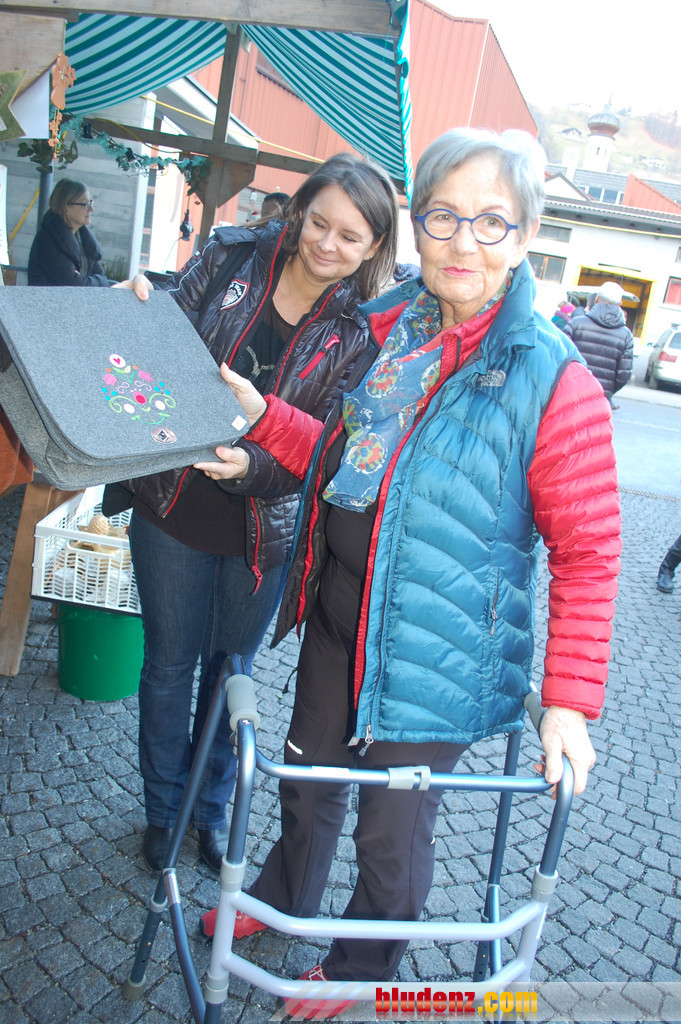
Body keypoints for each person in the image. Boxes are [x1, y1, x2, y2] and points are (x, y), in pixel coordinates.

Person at [195, 127, 621, 1018]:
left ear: (524, 236)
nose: (463, 241)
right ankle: (281, 897)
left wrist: (568, 701)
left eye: (490, 221)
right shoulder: (387, 331)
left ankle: (363, 966)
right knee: (307, 779)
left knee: (391, 829)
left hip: (441, 651)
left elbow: (587, 550)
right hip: (339, 618)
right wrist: (265, 416)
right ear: (416, 224)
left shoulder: (552, 378)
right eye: (442, 216)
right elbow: (342, 459)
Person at [111, 154, 399, 873]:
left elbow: (327, 447)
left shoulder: (360, 332)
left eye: (351, 237)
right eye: (320, 223)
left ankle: (208, 812)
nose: (327, 245)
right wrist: (136, 301)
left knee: (228, 676)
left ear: (373, 247)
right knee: (168, 667)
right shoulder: (231, 255)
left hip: (264, 531)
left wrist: (254, 468)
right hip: (172, 504)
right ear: (299, 211)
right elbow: (164, 331)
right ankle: (162, 811)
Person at [563, 281, 634, 410]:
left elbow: (560, 357)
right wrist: (607, 390)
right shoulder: (626, 335)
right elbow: (624, 375)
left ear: (596, 298)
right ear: (620, 303)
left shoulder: (576, 324)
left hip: (570, 393)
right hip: (600, 398)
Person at [27, 179, 109, 287]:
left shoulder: (84, 240)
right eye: (85, 204)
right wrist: (93, 281)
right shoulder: (46, 240)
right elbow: (73, 284)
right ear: (66, 208)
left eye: (90, 203)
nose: (91, 209)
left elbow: (103, 280)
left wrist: (86, 280)